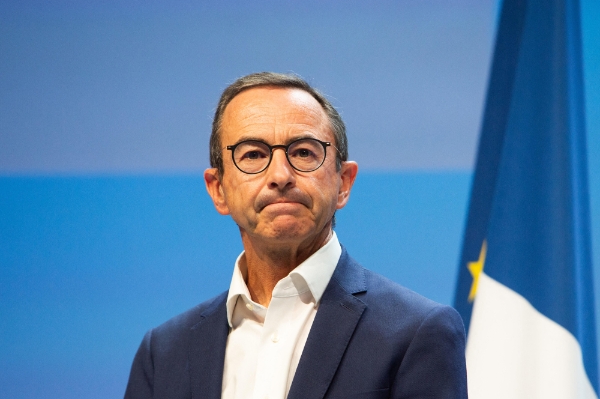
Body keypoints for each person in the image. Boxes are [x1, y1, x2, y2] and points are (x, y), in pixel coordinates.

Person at [124, 72, 468, 399]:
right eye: (253, 154)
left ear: (343, 184)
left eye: (303, 152)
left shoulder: (416, 332)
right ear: (218, 190)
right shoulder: (164, 353)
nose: (280, 175)